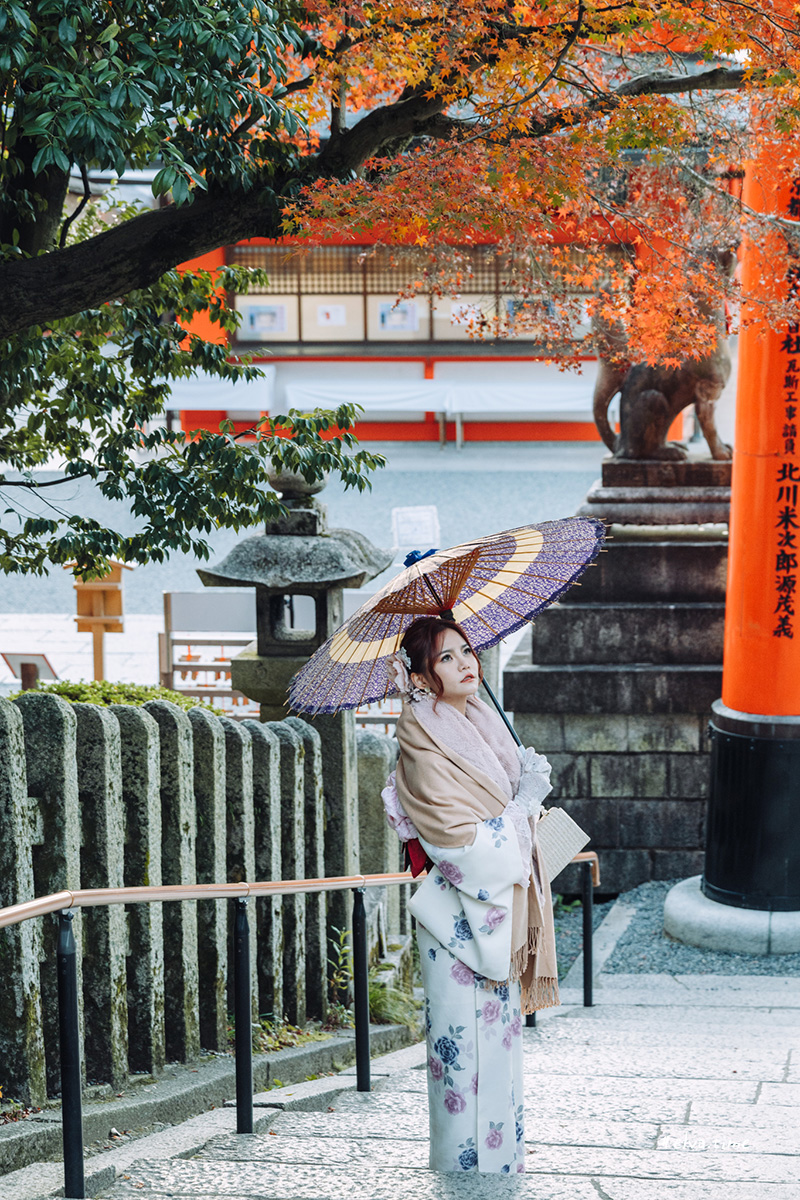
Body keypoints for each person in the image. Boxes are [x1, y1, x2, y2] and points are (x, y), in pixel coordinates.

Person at [381, 615, 558, 1175]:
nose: (465, 664)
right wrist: (523, 804)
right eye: (446, 658)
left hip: (497, 914)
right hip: (461, 917)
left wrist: (525, 788)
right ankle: (463, 1173)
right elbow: (455, 839)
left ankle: (501, 1164)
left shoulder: (483, 724)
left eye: (466, 652)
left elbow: (505, 815)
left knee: (500, 1043)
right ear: (422, 676)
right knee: (461, 1049)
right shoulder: (422, 740)